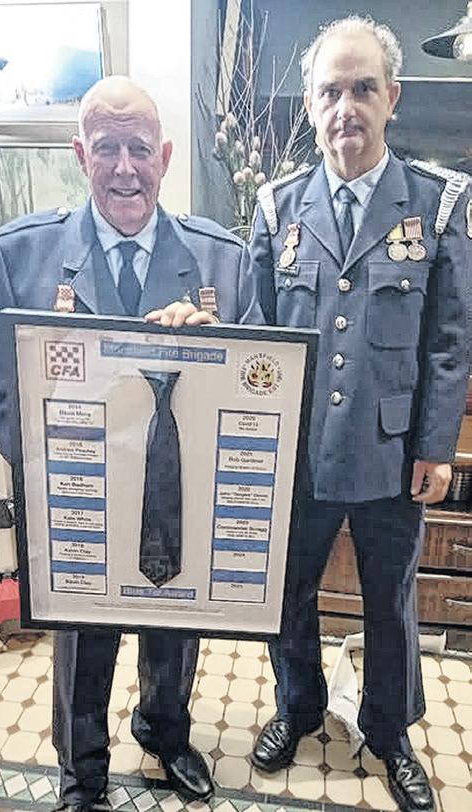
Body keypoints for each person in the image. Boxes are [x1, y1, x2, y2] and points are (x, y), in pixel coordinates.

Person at [0, 75, 263, 811]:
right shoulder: (23, 254)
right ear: (81, 155)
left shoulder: (222, 262)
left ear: (164, 156)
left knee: (175, 626)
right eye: (107, 148)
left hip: (176, 493)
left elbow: (260, 393)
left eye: (140, 149)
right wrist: (61, 473)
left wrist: (216, 359)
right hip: (77, 498)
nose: (125, 168)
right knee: (82, 641)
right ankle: (83, 772)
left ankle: (164, 732)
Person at [245, 16, 470, 812]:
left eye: (363, 89)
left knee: (389, 602)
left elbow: (449, 339)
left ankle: (390, 732)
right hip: (300, 454)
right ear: (311, 105)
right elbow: (256, 340)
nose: (347, 107)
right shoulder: (276, 208)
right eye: (331, 91)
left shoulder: (438, 205)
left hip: (392, 451)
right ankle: (298, 707)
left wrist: (436, 447)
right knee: (288, 593)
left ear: (392, 98)